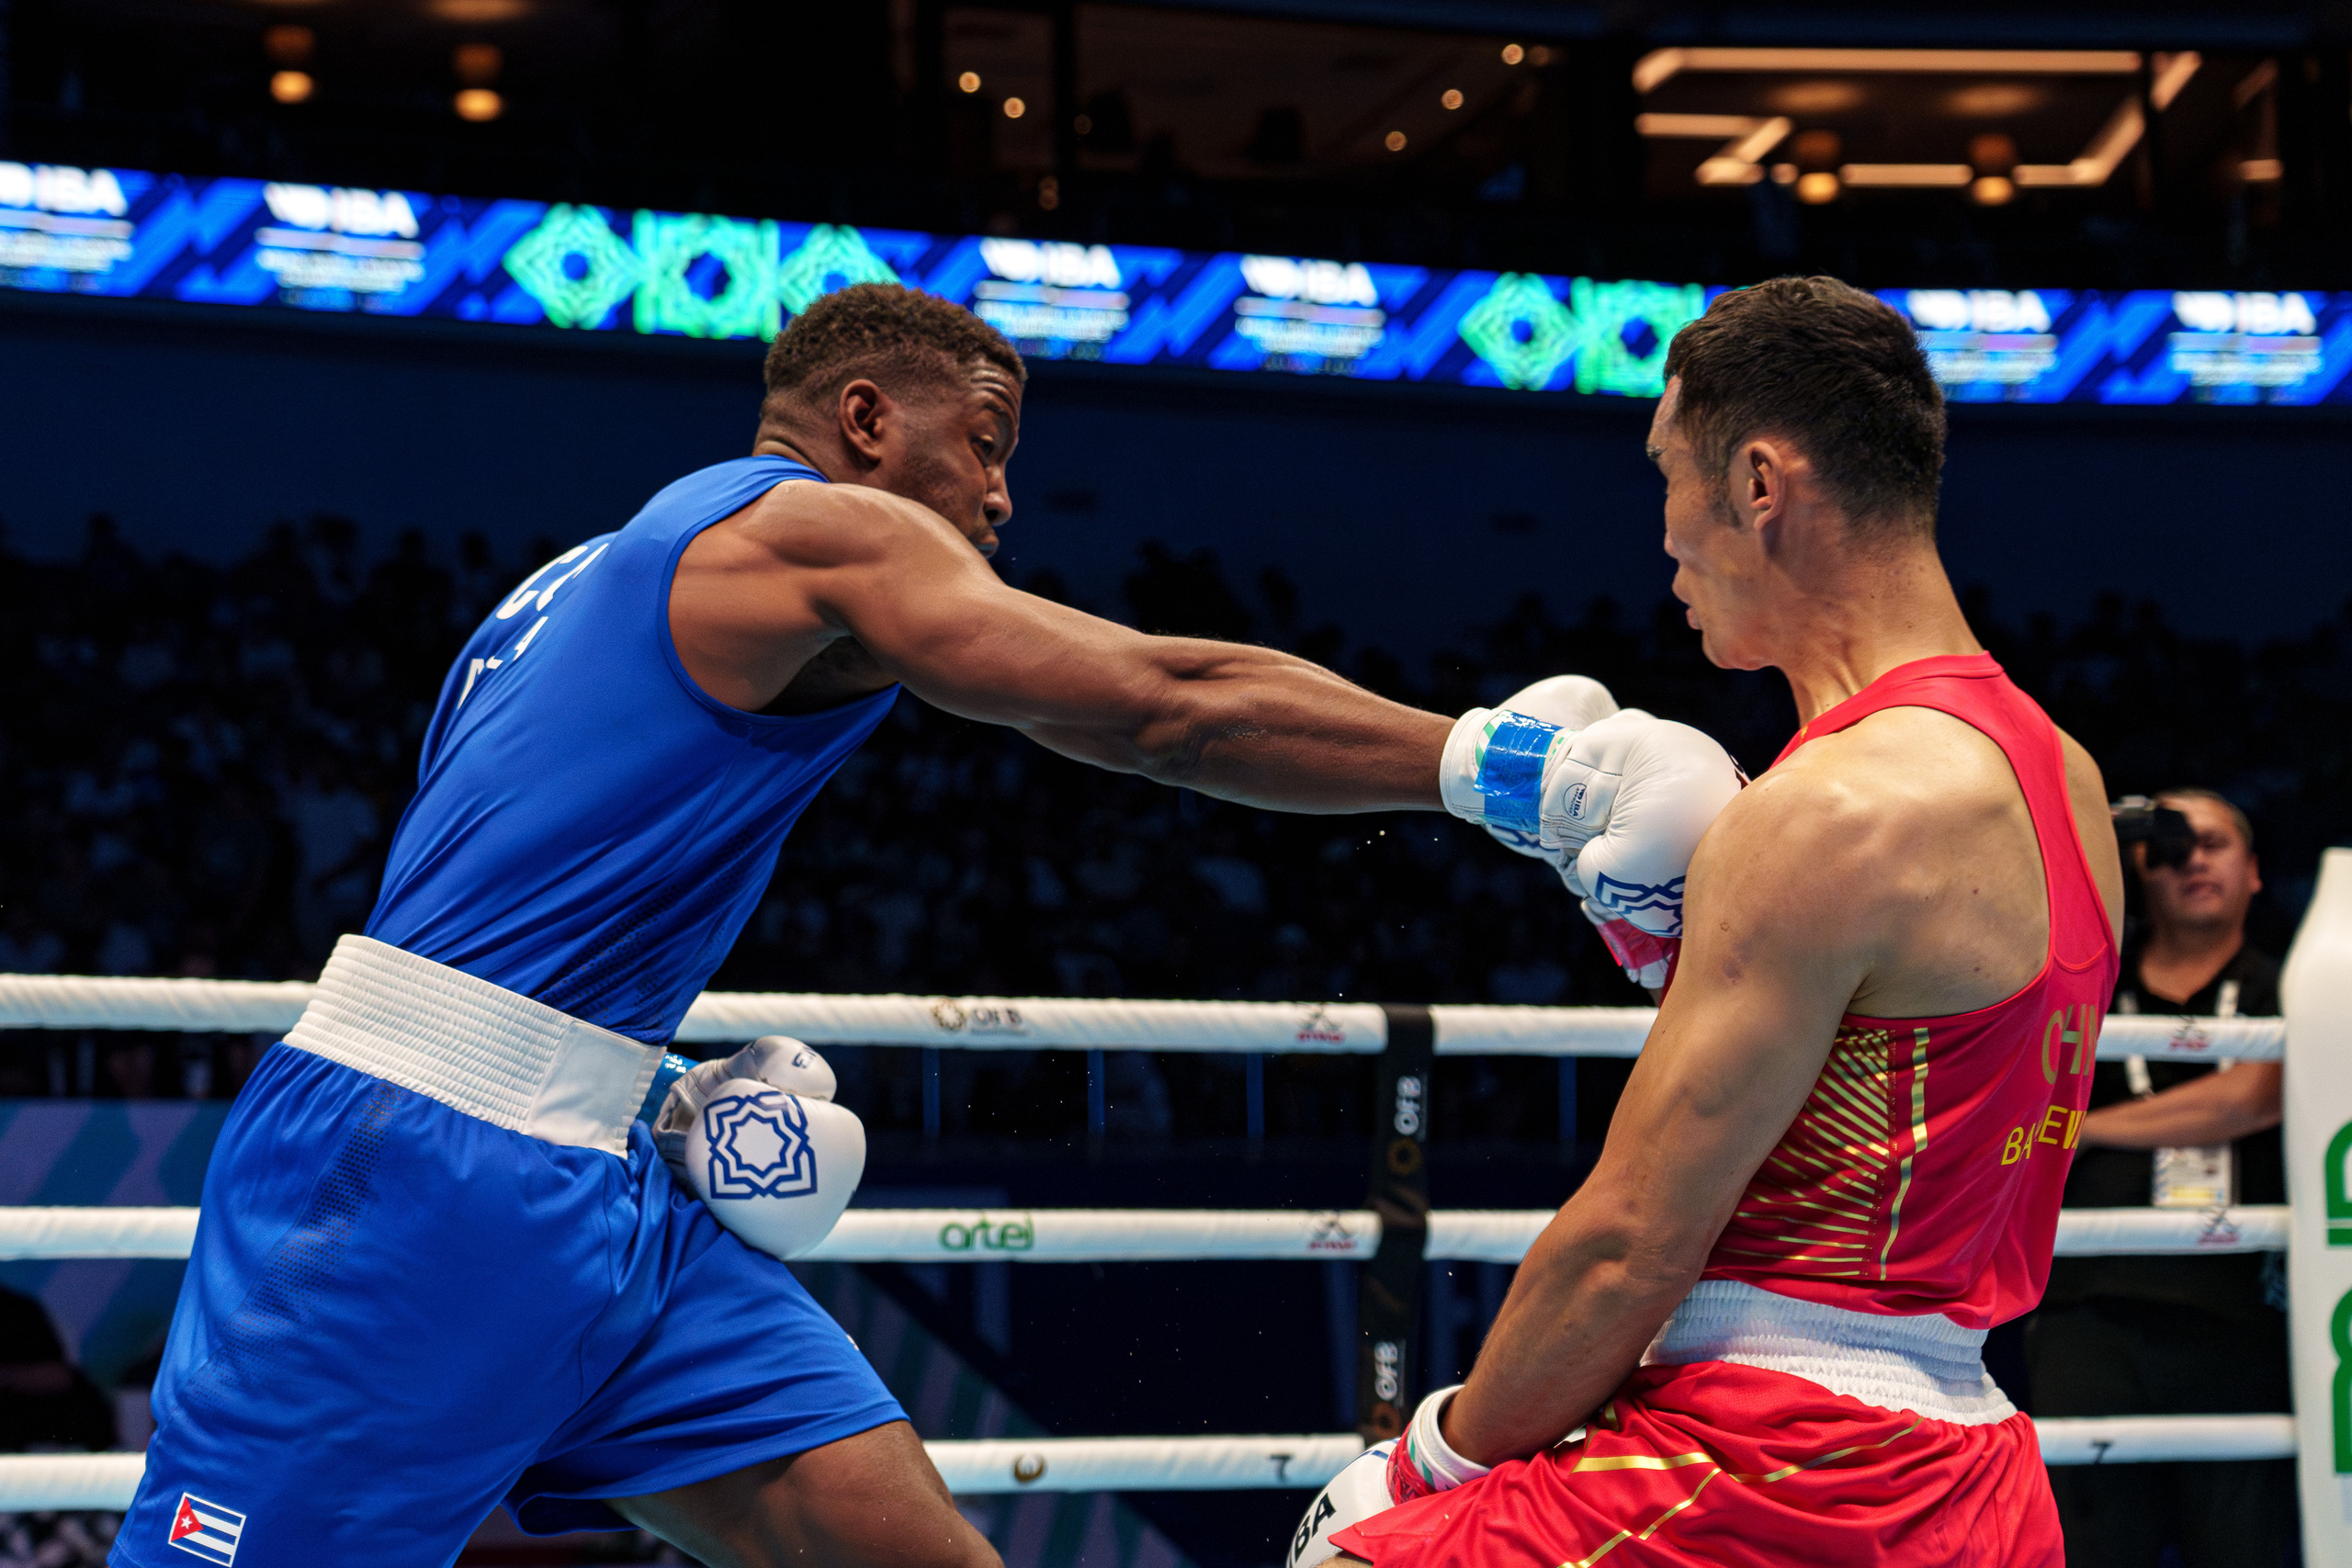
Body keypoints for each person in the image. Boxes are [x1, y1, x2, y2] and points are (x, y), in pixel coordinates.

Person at [114, 283, 1737, 1568]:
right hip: (410, 1186)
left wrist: (648, 1085)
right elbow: (1154, 706)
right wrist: (1498, 768)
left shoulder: (566, 585)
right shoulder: (815, 525)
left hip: (588, 1181)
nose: (1003, 495)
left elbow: (508, 901)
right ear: (868, 419)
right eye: (988, 442)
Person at [1299, 276, 2123, 1568]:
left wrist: (1429, 1457)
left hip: (1780, 1462)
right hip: (1977, 1470)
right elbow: (1905, 1097)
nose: (1665, 536)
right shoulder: (2059, 774)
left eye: (1665, 476)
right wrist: (1680, 948)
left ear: (1756, 483)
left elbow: (1632, 1238)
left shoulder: (1828, 809)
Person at [2030, 787, 2289, 1568]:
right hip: (2088, 1315)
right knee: (2094, 1551)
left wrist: (2084, 1129)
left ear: (2255, 873)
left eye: (2215, 843)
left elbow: (2251, 1094)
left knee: (2242, 1551)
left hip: (2239, 1318)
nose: (2194, 860)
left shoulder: (2292, 987)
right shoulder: (2081, 988)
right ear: (2138, 871)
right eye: (2171, 849)